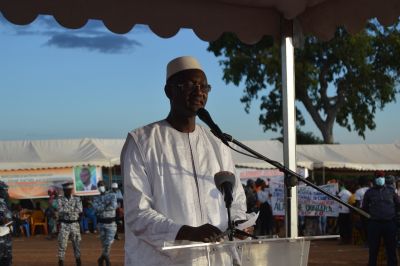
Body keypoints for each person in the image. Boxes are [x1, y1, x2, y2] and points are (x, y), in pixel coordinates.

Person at [121, 56, 247, 266]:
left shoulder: (217, 142)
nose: (199, 92)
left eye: (204, 86)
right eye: (190, 85)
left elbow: (236, 200)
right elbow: (137, 213)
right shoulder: (142, 141)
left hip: (215, 260)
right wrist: (185, 232)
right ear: (169, 91)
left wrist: (239, 222)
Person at [362, 171, 400, 266]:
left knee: (391, 248)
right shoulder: (369, 192)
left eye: (382, 177)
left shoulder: (391, 191)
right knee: (373, 249)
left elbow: (398, 204)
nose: (380, 179)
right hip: (375, 224)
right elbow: (364, 208)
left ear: (384, 178)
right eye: (378, 177)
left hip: (390, 223)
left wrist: (395, 218)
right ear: (375, 179)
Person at [57, 182, 83, 266]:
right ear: (64, 190)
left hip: (74, 224)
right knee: (62, 244)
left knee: (76, 244)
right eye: (66, 190)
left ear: (71, 190)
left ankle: (78, 261)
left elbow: (80, 210)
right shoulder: (60, 199)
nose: (67, 191)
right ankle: (61, 261)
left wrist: (66, 209)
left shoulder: (77, 199)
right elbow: (59, 210)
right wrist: (72, 209)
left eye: (69, 190)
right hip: (64, 224)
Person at [92, 180, 117, 266]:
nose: (100, 187)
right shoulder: (95, 198)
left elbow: (113, 206)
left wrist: (101, 206)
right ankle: (106, 259)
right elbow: (96, 208)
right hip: (101, 224)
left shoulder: (112, 195)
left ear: (105, 186)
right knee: (104, 244)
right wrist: (106, 204)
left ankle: (102, 258)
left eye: (102, 185)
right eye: (99, 186)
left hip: (111, 223)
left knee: (109, 242)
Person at [0, 181, 12, 266]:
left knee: (7, 259)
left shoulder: (4, 203)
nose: (6, 192)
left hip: (6, 236)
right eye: (4, 190)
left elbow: (7, 215)